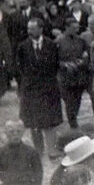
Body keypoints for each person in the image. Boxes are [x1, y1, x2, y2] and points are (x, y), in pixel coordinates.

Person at [17, 17, 62, 158]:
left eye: (32, 28)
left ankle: (52, 151)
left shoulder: (51, 45)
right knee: (34, 123)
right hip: (31, 90)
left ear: (41, 29)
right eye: (28, 28)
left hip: (48, 89)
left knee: (50, 122)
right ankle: (38, 151)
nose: (29, 31)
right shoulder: (23, 47)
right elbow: (20, 69)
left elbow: (55, 66)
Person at [0, 120, 42, 185]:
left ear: (22, 132)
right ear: (6, 133)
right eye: (11, 132)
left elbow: (38, 171)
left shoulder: (31, 152)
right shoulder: (2, 152)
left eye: (18, 131)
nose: (15, 134)